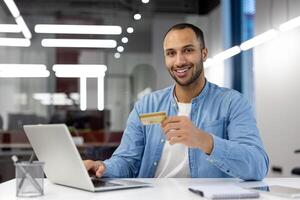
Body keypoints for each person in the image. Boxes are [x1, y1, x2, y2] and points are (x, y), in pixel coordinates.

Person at [84, 23, 269, 180]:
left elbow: (258, 165)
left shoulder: (232, 102)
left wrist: (205, 141)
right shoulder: (146, 106)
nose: (179, 61)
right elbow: (126, 161)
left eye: (188, 50)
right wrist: (102, 167)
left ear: (203, 53)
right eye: (171, 53)